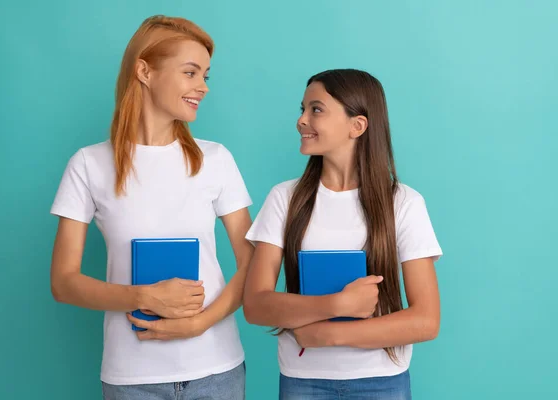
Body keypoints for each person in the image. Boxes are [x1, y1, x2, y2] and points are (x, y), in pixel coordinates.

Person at [49, 15, 253, 400]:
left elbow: (253, 263)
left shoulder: (216, 159)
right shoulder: (89, 164)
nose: (203, 87)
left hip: (218, 372)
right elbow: (63, 281)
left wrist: (201, 323)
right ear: (144, 70)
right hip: (132, 378)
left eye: (206, 76)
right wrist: (142, 297)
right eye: (191, 73)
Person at [243, 69, 443, 399]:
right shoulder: (284, 198)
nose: (301, 120)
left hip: (383, 382)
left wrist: (328, 335)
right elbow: (255, 305)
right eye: (302, 109)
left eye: (316, 109)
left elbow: (425, 320)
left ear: (357, 126)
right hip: (302, 382)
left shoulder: (404, 203)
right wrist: (337, 303)